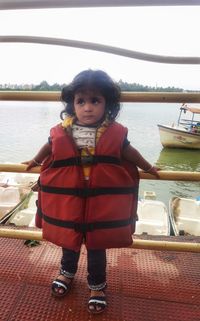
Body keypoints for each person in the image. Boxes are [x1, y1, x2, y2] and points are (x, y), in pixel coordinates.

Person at [24, 69, 159, 314]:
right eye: (81, 101)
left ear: (107, 104)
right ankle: (67, 273)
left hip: (100, 205)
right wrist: (35, 160)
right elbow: (48, 146)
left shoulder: (113, 132)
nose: (88, 108)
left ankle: (97, 286)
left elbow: (130, 153)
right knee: (70, 243)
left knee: (97, 246)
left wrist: (149, 167)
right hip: (72, 202)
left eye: (95, 101)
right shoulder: (64, 129)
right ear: (72, 105)